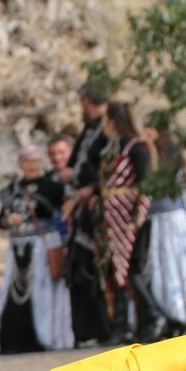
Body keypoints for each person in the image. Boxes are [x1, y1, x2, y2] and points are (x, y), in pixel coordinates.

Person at [97, 100, 164, 342]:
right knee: (118, 271)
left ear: (113, 122)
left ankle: (153, 316)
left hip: (131, 220)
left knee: (133, 271)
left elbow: (145, 184)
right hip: (114, 220)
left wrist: (137, 217)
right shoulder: (114, 148)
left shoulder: (137, 148)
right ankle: (124, 326)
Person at [0, 147, 73, 353]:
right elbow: (0, 221)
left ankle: (44, 337)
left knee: (43, 290)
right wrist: (8, 220)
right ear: (20, 163)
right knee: (16, 291)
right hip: (19, 248)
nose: (32, 166)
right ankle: (14, 341)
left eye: (36, 161)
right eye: (28, 161)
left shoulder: (52, 186)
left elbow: (63, 213)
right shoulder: (11, 189)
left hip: (41, 247)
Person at [143, 144, 186, 335]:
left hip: (173, 222)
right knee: (166, 270)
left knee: (181, 269)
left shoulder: (171, 158)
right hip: (160, 222)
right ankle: (173, 318)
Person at [65, 84, 111, 344]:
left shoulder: (106, 129)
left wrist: (91, 189)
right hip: (81, 206)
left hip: (98, 206)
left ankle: (105, 327)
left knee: (96, 266)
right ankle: (87, 330)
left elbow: (107, 169)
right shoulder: (89, 129)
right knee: (79, 266)